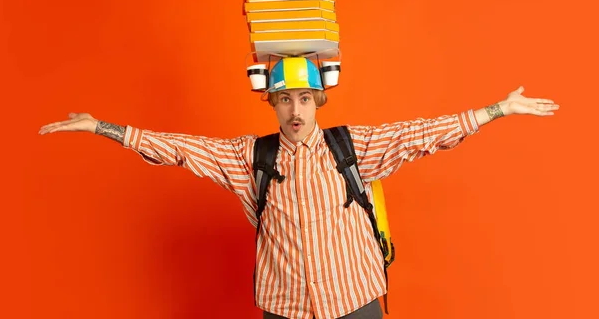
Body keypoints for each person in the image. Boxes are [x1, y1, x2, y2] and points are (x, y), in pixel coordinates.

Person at [38, 57, 559, 319]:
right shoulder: (251, 157)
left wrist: (497, 110)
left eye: (305, 99)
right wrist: (104, 127)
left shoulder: (350, 147)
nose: (295, 111)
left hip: (356, 303)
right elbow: (177, 147)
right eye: (285, 99)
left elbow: (423, 134)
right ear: (272, 105)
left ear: (318, 103)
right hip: (284, 309)